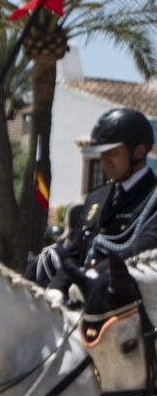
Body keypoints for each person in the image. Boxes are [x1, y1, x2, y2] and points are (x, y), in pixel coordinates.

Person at [36, 107, 157, 288]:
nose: (104, 160)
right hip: (84, 295)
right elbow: (75, 253)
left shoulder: (152, 197)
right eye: (102, 154)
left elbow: (141, 250)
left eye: (113, 153)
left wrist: (95, 274)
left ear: (138, 152)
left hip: (125, 302)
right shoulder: (97, 197)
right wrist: (55, 290)